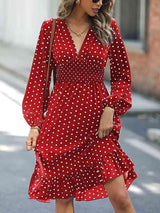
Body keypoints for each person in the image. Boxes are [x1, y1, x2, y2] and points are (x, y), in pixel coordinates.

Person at [22, 0, 138, 212]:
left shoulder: (109, 27)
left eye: (104, 0)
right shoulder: (51, 28)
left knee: (121, 198)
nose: (99, 3)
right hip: (60, 125)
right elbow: (39, 78)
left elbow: (122, 77)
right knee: (64, 201)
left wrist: (110, 109)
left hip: (97, 125)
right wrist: (34, 124)